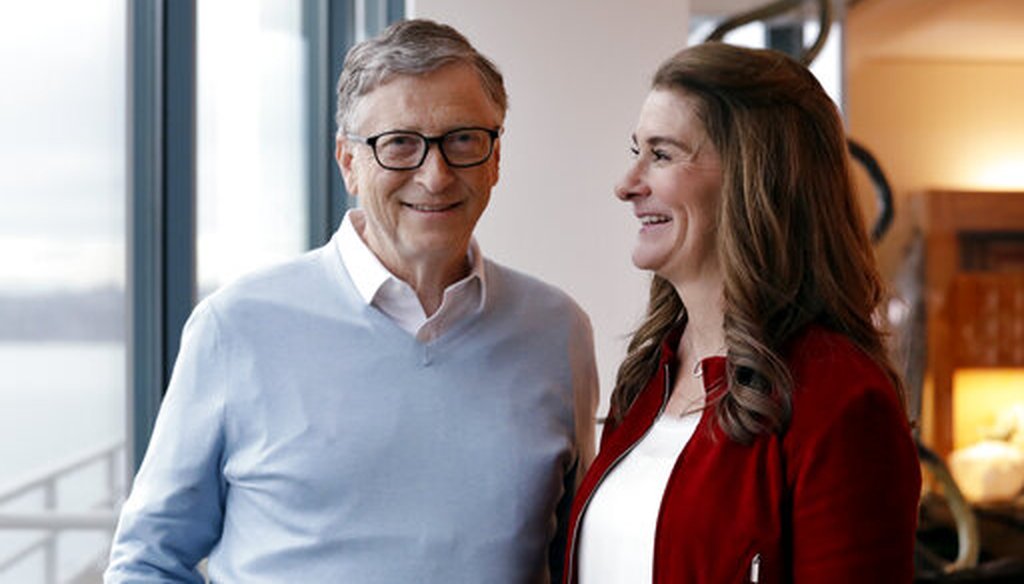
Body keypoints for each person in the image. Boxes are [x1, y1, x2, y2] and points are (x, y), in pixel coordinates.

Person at [106, 19, 598, 584]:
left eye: (462, 139)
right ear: (348, 163)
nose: (434, 176)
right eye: (400, 145)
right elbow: (147, 563)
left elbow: (571, 558)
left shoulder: (557, 331)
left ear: (495, 159)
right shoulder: (236, 326)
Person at [563, 43, 921, 583]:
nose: (626, 184)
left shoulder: (840, 399)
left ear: (755, 177)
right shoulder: (647, 377)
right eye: (637, 150)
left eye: (661, 155)